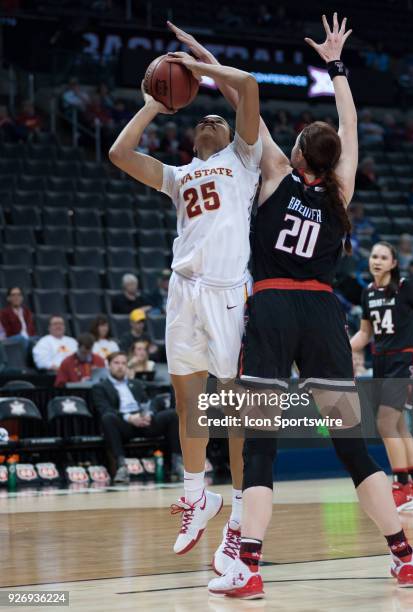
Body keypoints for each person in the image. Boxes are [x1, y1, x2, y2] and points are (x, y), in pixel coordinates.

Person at [180, 13, 413, 597]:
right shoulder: (341, 190)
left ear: (296, 153)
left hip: (272, 309)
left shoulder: (274, 172)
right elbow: (351, 119)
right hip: (322, 315)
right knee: (350, 444)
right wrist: (336, 66)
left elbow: (245, 100)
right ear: (332, 159)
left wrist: (201, 59)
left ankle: (250, 567)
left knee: (259, 441)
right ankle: (405, 556)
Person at [109, 34, 261, 570]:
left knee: (236, 406)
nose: (209, 122)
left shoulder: (245, 161)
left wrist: (196, 66)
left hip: (226, 294)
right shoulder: (178, 177)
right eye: (201, 121)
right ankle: (198, 495)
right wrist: (154, 102)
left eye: (216, 120)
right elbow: (119, 154)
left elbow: (249, 87)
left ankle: (241, 512)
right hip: (182, 290)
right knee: (188, 401)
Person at [350, 242, 413, 511]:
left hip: (404, 359)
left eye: (383, 257)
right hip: (381, 361)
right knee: (398, 426)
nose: (376, 260)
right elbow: (365, 334)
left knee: (385, 424)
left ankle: (402, 486)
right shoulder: (367, 293)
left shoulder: (406, 288)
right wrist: (340, 350)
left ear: (393, 263)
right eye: (374, 256)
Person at [91, 351, 181, 483]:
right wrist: (129, 418)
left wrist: (148, 414)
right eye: (116, 363)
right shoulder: (100, 387)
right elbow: (104, 409)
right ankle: (122, 467)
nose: (120, 366)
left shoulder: (136, 384)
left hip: (143, 420)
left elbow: (146, 403)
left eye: (123, 363)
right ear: (108, 366)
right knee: (108, 418)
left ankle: (177, 463)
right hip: (123, 424)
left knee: (172, 414)